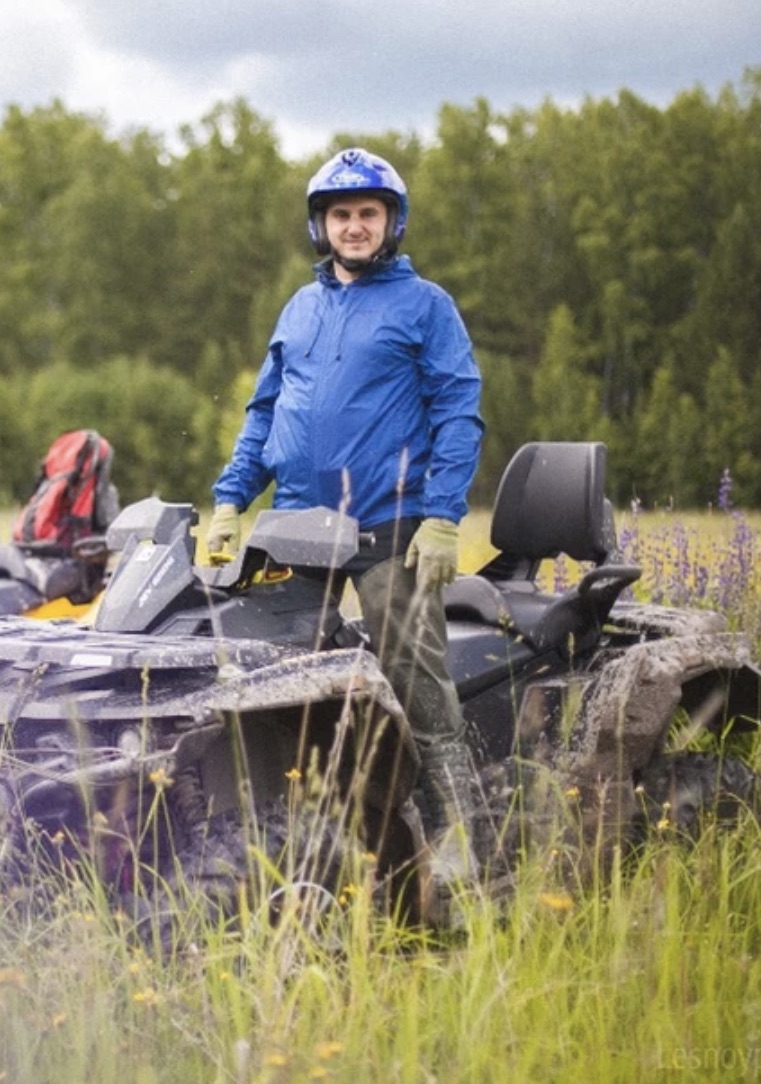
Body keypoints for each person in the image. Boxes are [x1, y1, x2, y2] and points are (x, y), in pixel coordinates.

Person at [204, 148, 493, 903]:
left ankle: (460, 842)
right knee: (255, 669)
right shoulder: (300, 309)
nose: (355, 226)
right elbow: (266, 412)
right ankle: (287, 828)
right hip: (294, 531)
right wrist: (232, 498)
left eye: (369, 213)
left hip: (389, 530)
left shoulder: (426, 305)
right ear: (321, 225)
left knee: (413, 679)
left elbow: (458, 411)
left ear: (391, 223)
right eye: (341, 214)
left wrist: (441, 518)